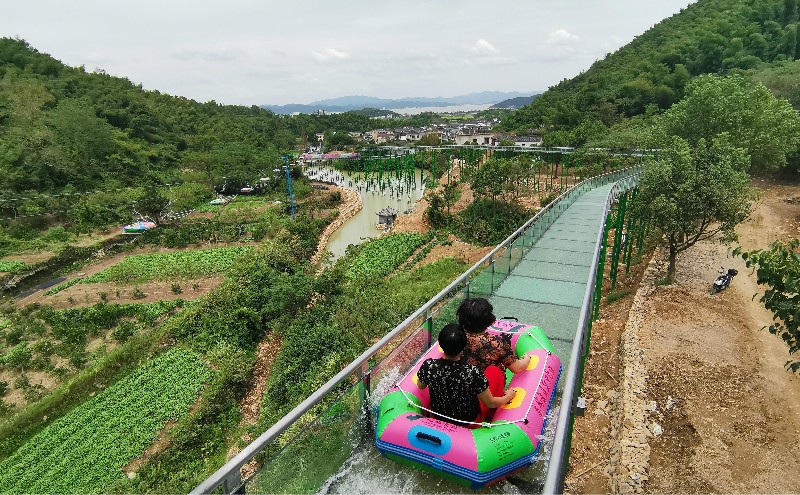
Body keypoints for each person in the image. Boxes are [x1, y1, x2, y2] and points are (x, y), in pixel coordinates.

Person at [417, 324, 516, 427]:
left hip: (438, 416)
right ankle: (492, 415)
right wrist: (509, 396)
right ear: (464, 346)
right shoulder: (473, 372)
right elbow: (490, 403)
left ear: (440, 345)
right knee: (494, 371)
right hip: (469, 422)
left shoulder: (429, 365)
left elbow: (420, 385)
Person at [457, 297, 532, 375]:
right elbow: (518, 368)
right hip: (490, 383)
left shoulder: (457, 338)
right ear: (488, 319)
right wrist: (527, 358)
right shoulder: (496, 343)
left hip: (465, 380)